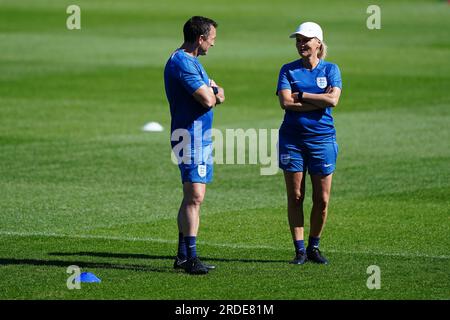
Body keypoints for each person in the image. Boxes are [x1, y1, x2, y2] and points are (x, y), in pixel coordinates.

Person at [276, 22, 342, 265]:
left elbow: (333, 101)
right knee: (295, 196)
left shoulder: (331, 69)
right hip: (292, 140)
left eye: (306, 40)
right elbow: (285, 103)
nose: (301, 44)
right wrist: (320, 100)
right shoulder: (288, 70)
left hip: (323, 139)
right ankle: (300, 250)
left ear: (318, 44)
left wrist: (302, 95)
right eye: (298, 40)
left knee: (322, 199)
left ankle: (314, 245)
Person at [164, 16, 225, 274]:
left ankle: (183, 256)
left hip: (199, 136)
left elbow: (218, 93)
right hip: (188, 136)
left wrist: (214, 92)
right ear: (200, 38)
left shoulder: (193, 62)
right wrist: (213, 93)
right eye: (211, 40)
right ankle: (190, 257)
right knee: (195, 196)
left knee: (193, 197)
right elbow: (208, 98)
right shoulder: (182, 63)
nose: (212, 45)